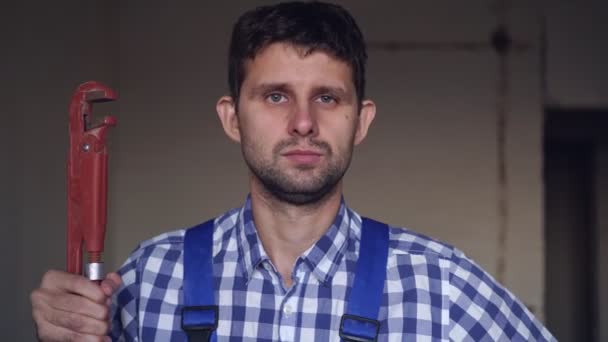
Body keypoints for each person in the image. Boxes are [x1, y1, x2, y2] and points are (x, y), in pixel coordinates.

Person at [31, 2, 555, 341]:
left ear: (361, 121)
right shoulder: (147, 283)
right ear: (232, 118)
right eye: (276, 95)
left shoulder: (443, 287)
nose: (303, 122)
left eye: (327, 97)